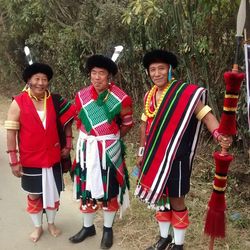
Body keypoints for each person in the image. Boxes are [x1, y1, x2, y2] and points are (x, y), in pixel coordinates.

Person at [135, 49, 232, 250]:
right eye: (152, 69)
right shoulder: (148, 96)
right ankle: (164, 239)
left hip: (176, 157)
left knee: (177, 200)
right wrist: (141, 152)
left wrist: (219, 134)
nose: (157, 73)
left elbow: (206, 116)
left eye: (161, 68)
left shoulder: (185, 94)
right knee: (160, 197)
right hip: (154, 156)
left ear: (170, 70)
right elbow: (144, 125)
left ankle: (178, 244)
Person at [5, 63, 75, 242]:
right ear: (28, 81)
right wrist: (14, 160)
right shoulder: (18, 101)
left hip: (53, 158)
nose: (40, 83)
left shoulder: (56, 101)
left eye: (44, 79)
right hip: (30, 159)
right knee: (34, 194)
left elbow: (68, 123)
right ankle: (38, 227)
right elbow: (11, 132)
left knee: (53, 193)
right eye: (36, 79)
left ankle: (51, 223)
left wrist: (68, 144)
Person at [69, 54, 133, 249]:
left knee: (109, 190)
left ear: (109, 77)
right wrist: (91, 138)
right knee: (86, 189)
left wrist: (110, 138)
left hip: (108, 150)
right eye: (93, 73)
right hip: (86, 149)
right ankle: (88, 227)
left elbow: (127, 123)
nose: (97, 77)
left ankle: (107, 229)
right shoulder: (81, 96)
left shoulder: (120, 98)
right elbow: (79, 121)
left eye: (102, 73)